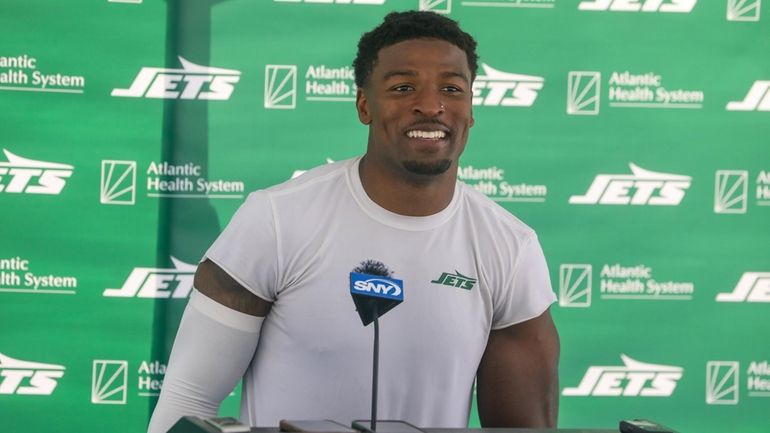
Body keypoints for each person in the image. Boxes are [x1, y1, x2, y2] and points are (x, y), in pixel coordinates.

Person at [147, 11, 559, 433]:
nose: (431, 106)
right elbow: (188, 398)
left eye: (452, 89)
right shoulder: (276, 219)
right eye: (403, 87)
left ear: (470, 108)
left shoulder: (509, 247)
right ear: (365, 104)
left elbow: (522, 429)